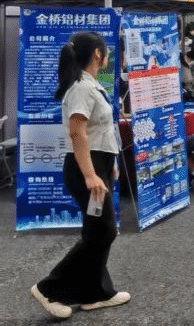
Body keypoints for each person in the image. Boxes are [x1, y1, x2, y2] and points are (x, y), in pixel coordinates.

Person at [32, 32, 130, 319]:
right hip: (85, 167)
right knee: (103, 231)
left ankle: (95, 293)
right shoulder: (81, 88)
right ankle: (49, 289)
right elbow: (78, 132)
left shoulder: (90, 85)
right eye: (106, 51)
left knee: (98, 231)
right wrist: (90, 174)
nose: (108, 55)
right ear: (98, 54)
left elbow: (98, 132)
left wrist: (108, 165)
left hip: (97, 163)